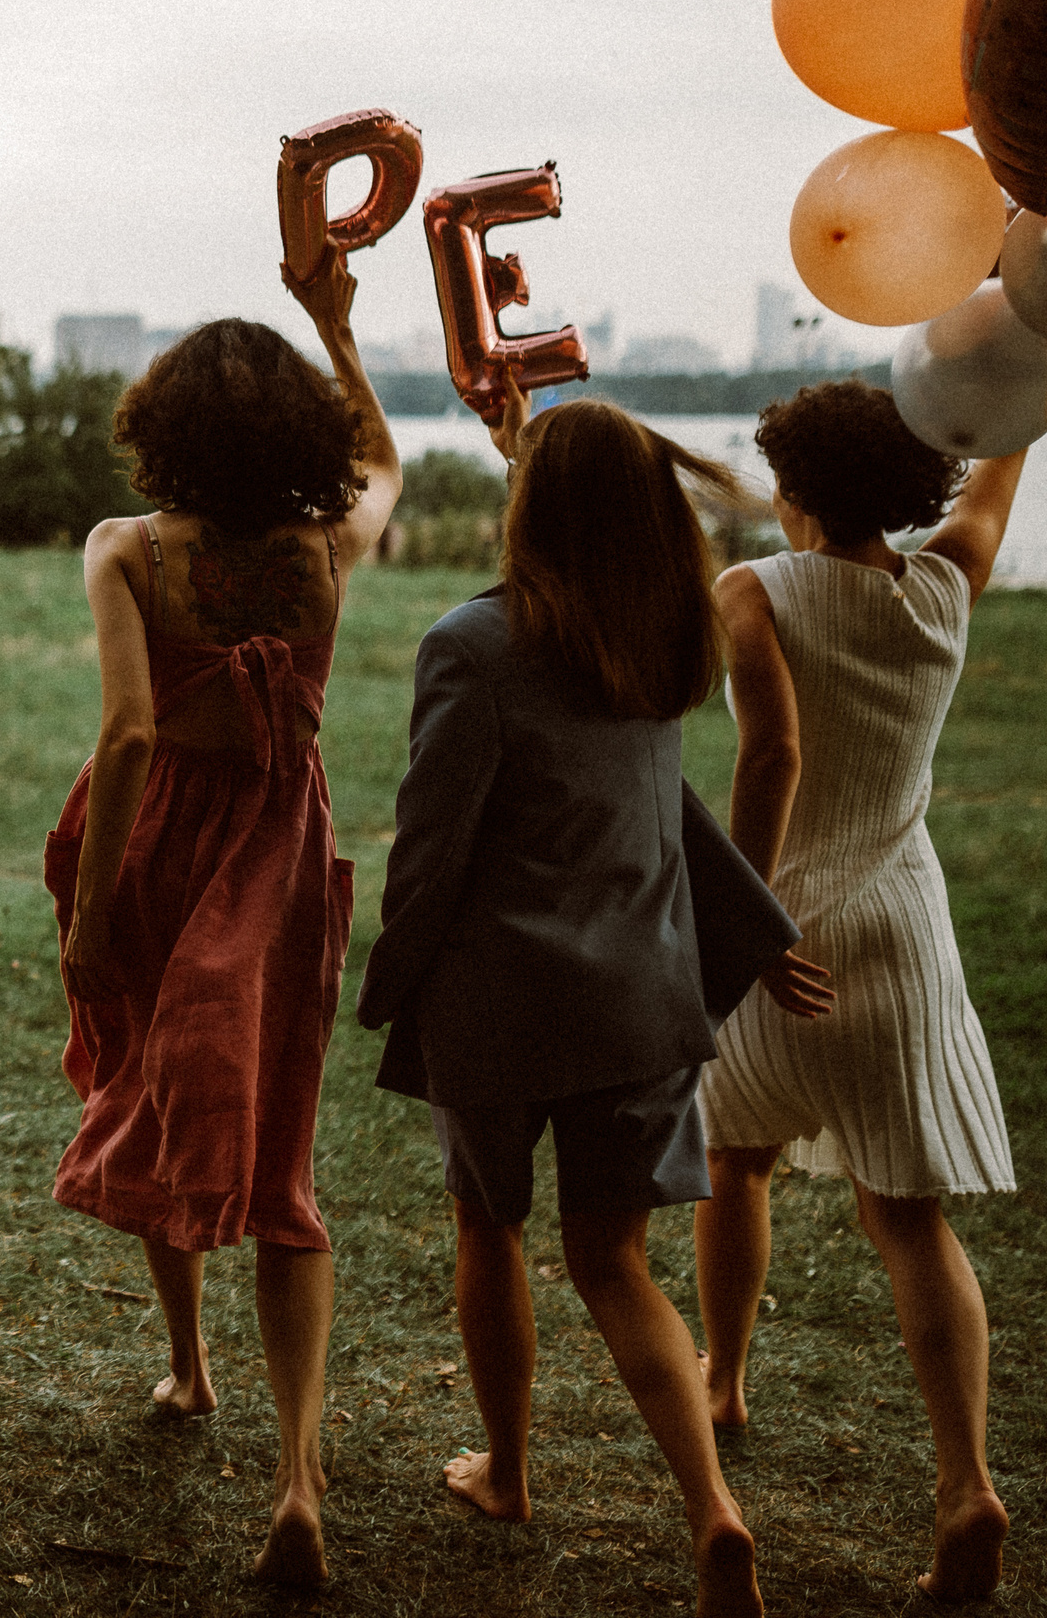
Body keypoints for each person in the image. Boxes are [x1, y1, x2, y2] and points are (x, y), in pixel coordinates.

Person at [357, 387, 817, 1618]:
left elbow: (431, 845)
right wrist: (758, 937)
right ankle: (713, 1510)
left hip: (498, 1009)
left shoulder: (473, 643)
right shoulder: (663, 634)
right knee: (615, 1264)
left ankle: (505, 1472)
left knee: (489, 1229)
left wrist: (384, 977)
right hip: (637, 1006)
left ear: (530, 508)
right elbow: (663, 809)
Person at [44, 259, 401, 1585]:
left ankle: (190, 1365)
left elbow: (130, 734)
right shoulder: (332, 546)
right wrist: (339, 327)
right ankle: (295, 1475)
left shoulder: (128, 551)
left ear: (165, 429)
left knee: (155, 1086)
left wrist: (92, 917)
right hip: (281, 844)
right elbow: (385, 465)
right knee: (282, 1152)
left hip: (158, 849)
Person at [694, 381, 1024, 1605]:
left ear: (789, 491)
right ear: (912, 486)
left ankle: (721, 1379)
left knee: (735, 1163)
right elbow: (996, 473)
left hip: (785, 931)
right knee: (908, 1222)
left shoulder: (753, 593)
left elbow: (771, 754)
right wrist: (1014, 375)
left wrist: (746, 914)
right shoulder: (946, 585)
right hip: (900, 941)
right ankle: (964, 1487)